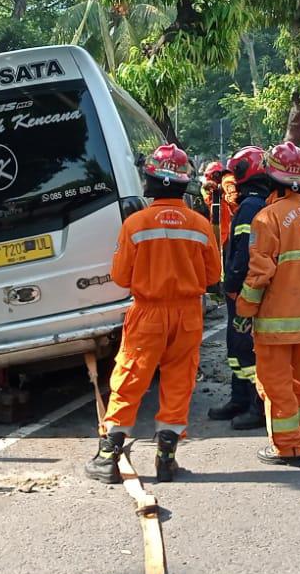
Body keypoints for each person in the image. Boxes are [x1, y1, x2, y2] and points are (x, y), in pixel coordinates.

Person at [85, 143, 222, 485]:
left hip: (148, 313)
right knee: (178, 384)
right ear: (182, 183)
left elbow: (120, 277)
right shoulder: (200, 225)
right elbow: (212, 277)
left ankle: (107, 459)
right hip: (188, 314)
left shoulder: (136, 224)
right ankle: (166, 459)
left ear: (152, 181)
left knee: (130, 379)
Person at [234, 142, 300, 467]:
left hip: (275, 322)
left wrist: (244, 312)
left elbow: (260, 272)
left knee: (276, 386)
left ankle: (288, 448)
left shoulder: (266, 219)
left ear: (270, 175)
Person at [208, 146, 269, 430]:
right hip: (246, 290)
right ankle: (240, 398)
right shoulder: (258, 203)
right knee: (238, 349)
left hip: (243, 291)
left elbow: (243, 253)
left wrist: (229, 283)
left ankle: (256, 404)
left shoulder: (249, 208)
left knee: (245, 349)